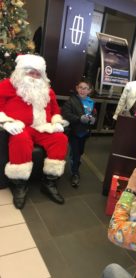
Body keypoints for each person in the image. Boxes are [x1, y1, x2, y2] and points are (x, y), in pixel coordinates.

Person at [0, 54, 68, 209]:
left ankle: (49, 182)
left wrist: (57, 122)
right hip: (19, 126)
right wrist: (5, 121)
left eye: (39, 74)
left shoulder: (47, 91)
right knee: (20, 139)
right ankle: (20, 185)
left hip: (41, 127)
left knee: (60, 139)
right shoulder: (7, 85)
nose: (35, 76)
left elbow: (56, 110)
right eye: (31, 72)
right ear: (21, 72)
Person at [62, 79, 96, 187]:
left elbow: (94, 114)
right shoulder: (71, 101)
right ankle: (75, 173)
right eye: (80, 87)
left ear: (89, 91)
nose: (82, 90)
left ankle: (75, 164)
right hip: (74, 132)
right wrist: (79, 118)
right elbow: (66, 114)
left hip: (84, 133)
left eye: (85, 88)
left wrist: (93, 119)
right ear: (77, 88)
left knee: (80, 152)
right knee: (75, 153)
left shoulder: (91, 102)